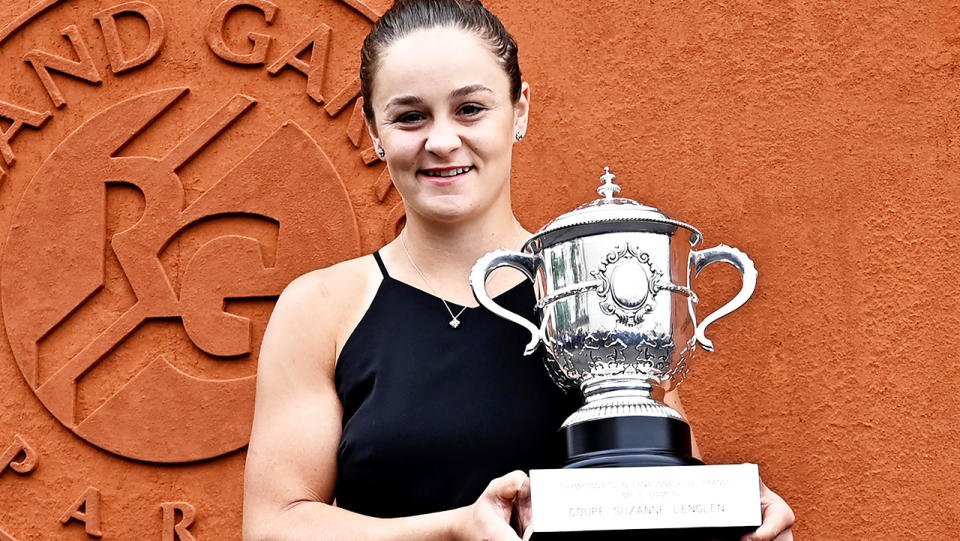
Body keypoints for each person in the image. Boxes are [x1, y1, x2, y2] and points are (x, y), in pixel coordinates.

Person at [242, 1, 795, 540]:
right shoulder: (321, 309)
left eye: (470, 109)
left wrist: (739, 519)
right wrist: (451, 530)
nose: (440, 141)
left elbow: (662, 501)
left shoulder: (603, 283)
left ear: (520, 110)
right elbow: (274, 527)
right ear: (373, 130)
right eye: (410, 116)